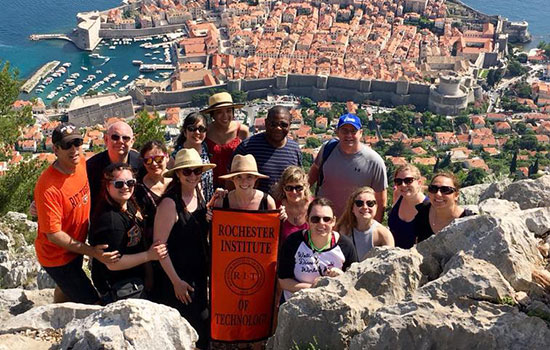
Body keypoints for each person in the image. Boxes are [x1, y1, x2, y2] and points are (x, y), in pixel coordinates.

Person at [34, 123, 120, 304]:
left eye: (77, 143)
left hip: (75, 246)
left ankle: (55, 315)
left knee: (66, 288)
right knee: (92, 302)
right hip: (57, 257)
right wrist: (91, 252)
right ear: (56, 149)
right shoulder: (48, 187)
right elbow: (54, 235)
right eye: (67, 145)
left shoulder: (81, 163)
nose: (74, 149)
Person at [154, 148, 216, 349]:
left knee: (201, 333)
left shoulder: (198, 195)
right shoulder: (169, 203)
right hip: (179, 281)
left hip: (197, 278)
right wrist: (176, 282)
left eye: (197, 171)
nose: (192, 175)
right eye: (187, 171)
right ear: (178, 174)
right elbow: (159, 247)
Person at [89, 163, 168, 303]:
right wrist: (149, 256)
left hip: (135, 279)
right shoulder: (110, 221)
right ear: (107, 185)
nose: (126, 187)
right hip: (119, 287)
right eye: (119, 184)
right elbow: (113, 263)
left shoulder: (128, 203)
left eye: (130, 182)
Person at [308, 113, 387, 219]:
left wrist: (373, 228)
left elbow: (381, 201)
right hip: (324, 220)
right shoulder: (327, 149)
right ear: (337, 133)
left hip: (355, 224)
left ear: (360, 133)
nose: (349, 135)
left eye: (353, 131)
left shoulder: (374, 161)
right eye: (344, 131)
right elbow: (311, 177)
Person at [278, 198, 358, 302]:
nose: (321, 223)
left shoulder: (345, 245)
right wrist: (314, 288)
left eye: (326, 219)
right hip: (295, 306)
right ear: (307, 219)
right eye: (315, 219)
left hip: (331, 307)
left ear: (333, 221)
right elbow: (283, 281)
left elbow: (354, 282)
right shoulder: (293, 242)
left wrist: (342, 276)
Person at [233, 106, 302, 194]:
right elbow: (232, 179)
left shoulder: (294, 149)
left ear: (290, 125)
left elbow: (299, 181)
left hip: (285, 206)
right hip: (254, 205)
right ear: (266, 123)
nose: (278, 128)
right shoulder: (248, 147)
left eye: (283, 125)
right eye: (273, 124)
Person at [87, 121, 143, 210]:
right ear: (106, 139)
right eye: (115, 137)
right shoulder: (91, 167)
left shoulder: (141, 163)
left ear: (132, 141)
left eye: (125, 138)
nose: (120, 141)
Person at [203, 92, 249, 188]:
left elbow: (248, 159)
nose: (225, 116)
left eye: (228, 111)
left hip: (236, 185)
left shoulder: (242, 131)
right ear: (213, 115)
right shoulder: (205, 131)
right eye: (219, 112)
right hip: (211, 185)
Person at [335, 187, 394, 261]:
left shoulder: (383, 234)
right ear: (352, 208)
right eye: (359, 203)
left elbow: (390, 262)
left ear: (376, 207)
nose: (365, 207)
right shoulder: (343, 230)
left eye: (370, 203)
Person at [415, 172, 476, 243]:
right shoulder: (423, 212)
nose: (438, 194)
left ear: (456, 195)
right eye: (433, 188)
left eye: (445, 190)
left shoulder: (469, 220)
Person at [171, 112, 214, 202]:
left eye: (201, 129)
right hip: (188, 205)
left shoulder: (205, 147)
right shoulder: (176, 156)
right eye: (192, 129)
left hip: (208, 202)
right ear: (185, 132)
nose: (197, 132)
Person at [135, 141, 172, 245]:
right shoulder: (138, 189)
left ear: (167, 157)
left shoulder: (179, 181)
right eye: (148, 160)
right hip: (154, 245)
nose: (154, 164)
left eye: (159, 159)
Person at [213, 154, 277, 211]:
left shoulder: (267, 202)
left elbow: (273, 223)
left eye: (249, 177)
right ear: (232, 179)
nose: (244, 182)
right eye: (239, 177)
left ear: (256, 178)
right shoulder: (221, 202)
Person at [388, 164, 428, 249]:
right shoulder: (398, 196)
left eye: (408, 180)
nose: (403, 185)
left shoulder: (428, 207)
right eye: (398, 181)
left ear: (419, 182)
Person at [272, 166, 311, 242]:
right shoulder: (276, 208)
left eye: (298, 187)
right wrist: (276, 219)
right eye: (289, 188)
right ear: (283, 188)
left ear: (305, 187)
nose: (294, 192)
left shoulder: (314, 207)